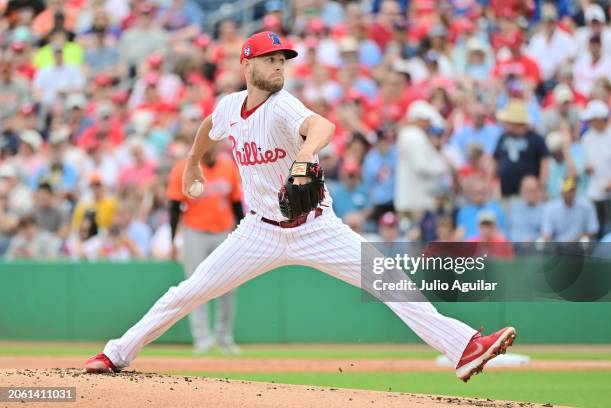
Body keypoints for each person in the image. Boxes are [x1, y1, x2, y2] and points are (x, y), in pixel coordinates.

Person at [85, 31, 515, 383]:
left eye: (283, 60)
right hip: (259, 231)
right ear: (247, 64)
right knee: (188, 293)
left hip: (317, 228)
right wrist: (192, 165)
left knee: (390, 280)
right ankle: (116, 353)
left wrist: (307, 153)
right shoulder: (230, 107)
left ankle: (463, 347)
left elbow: (322, 126)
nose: (278, 66)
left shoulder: (282, 106)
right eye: (270, 59)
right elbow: (207, 127)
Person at [166, 144, 244, 355]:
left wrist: (243, 235)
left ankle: (224, 337)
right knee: (195, 286)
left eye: (212, 145)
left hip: (223, 231)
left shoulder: (228, 167)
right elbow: (174, 206)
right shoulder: (184, 167)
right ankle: (202, 339)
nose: (208, 150)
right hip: (194, 232)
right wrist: (173, 240)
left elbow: (237, 204)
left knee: (229, 285)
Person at [581, 100, 611, 238]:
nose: (589, 123)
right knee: (597, 229)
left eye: (592, 120)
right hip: (595, 191)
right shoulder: (587, 138)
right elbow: (587, 161)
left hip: (610, 192)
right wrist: (587, 168)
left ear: (600, 119)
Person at [541, 177, 599, 242]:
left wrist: (579, 237)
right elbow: (547, 232)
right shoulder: (551, 208)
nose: (570, 194)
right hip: (558, 246)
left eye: (572, 191)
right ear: (561, 192)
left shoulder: (587, 205)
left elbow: (593, 230)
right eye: (567, 191)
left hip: (579, 245)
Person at [507, 176, 544, 242]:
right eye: (527, 190)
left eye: (533, 190)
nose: (530, 193)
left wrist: (532, 240)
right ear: (521, 191)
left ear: (538, 191)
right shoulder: (514, 208)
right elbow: (508, 231)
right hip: (514, 247)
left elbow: (546, 234)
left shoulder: (545, 210)